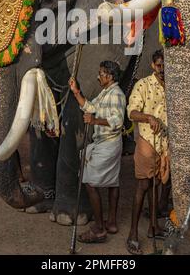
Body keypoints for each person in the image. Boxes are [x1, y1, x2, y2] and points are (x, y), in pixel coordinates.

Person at [69, 61, 126, 243]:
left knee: (90, 182)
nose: (98, 76)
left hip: (108, 143)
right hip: (106, 143)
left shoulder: (116, 94)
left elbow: (117, 121)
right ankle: (112, 223)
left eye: (101, 73)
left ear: (110, 76)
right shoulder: (106, 92)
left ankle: (100, 228)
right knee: (112, 182)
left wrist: (94, 122)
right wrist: (76, 92)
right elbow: (90, 107)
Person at [126, 49, 169, 255]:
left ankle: (153, 227)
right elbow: (132, 112)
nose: (163, 69)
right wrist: (148, 118)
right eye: (160, 65)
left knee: (156, 185)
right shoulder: (143, 85)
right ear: (153, 65)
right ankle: (133, 233)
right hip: (147, 142)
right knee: (143, 186)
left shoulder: (174, 84)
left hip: (164, 145)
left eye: (166, 65)